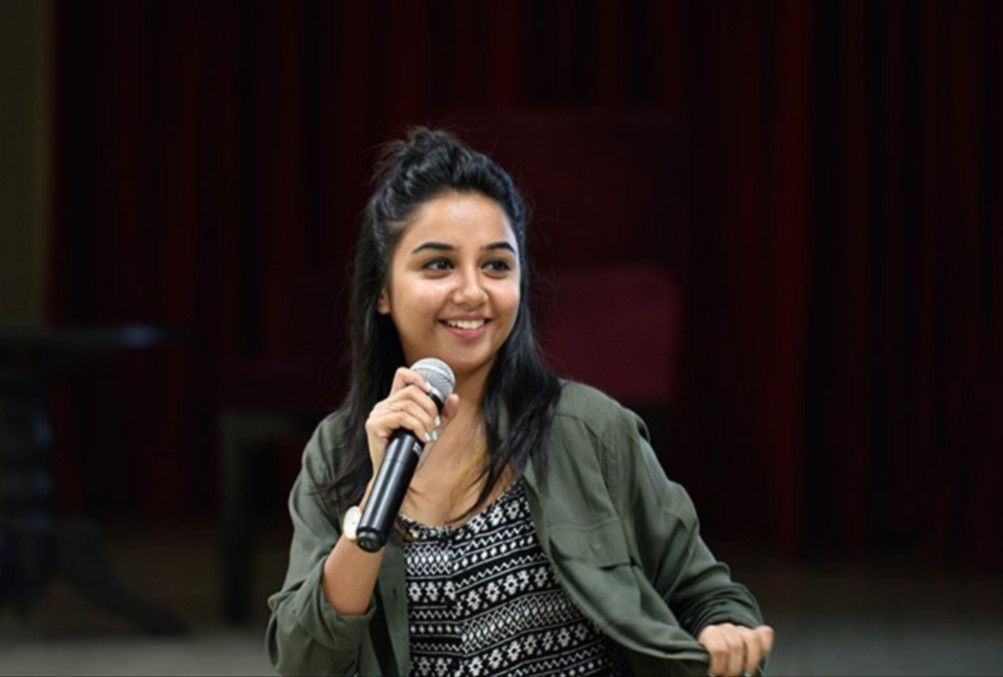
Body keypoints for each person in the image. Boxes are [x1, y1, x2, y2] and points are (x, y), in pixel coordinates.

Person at [266, 128, 774, 676]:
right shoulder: (337, 452)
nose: (472, 292)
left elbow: (707, 596)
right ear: (383, 291)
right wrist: (372, 507)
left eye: (496, 265)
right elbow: (301, 662)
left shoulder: (589, 428)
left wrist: (724, 630)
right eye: (439, 265)